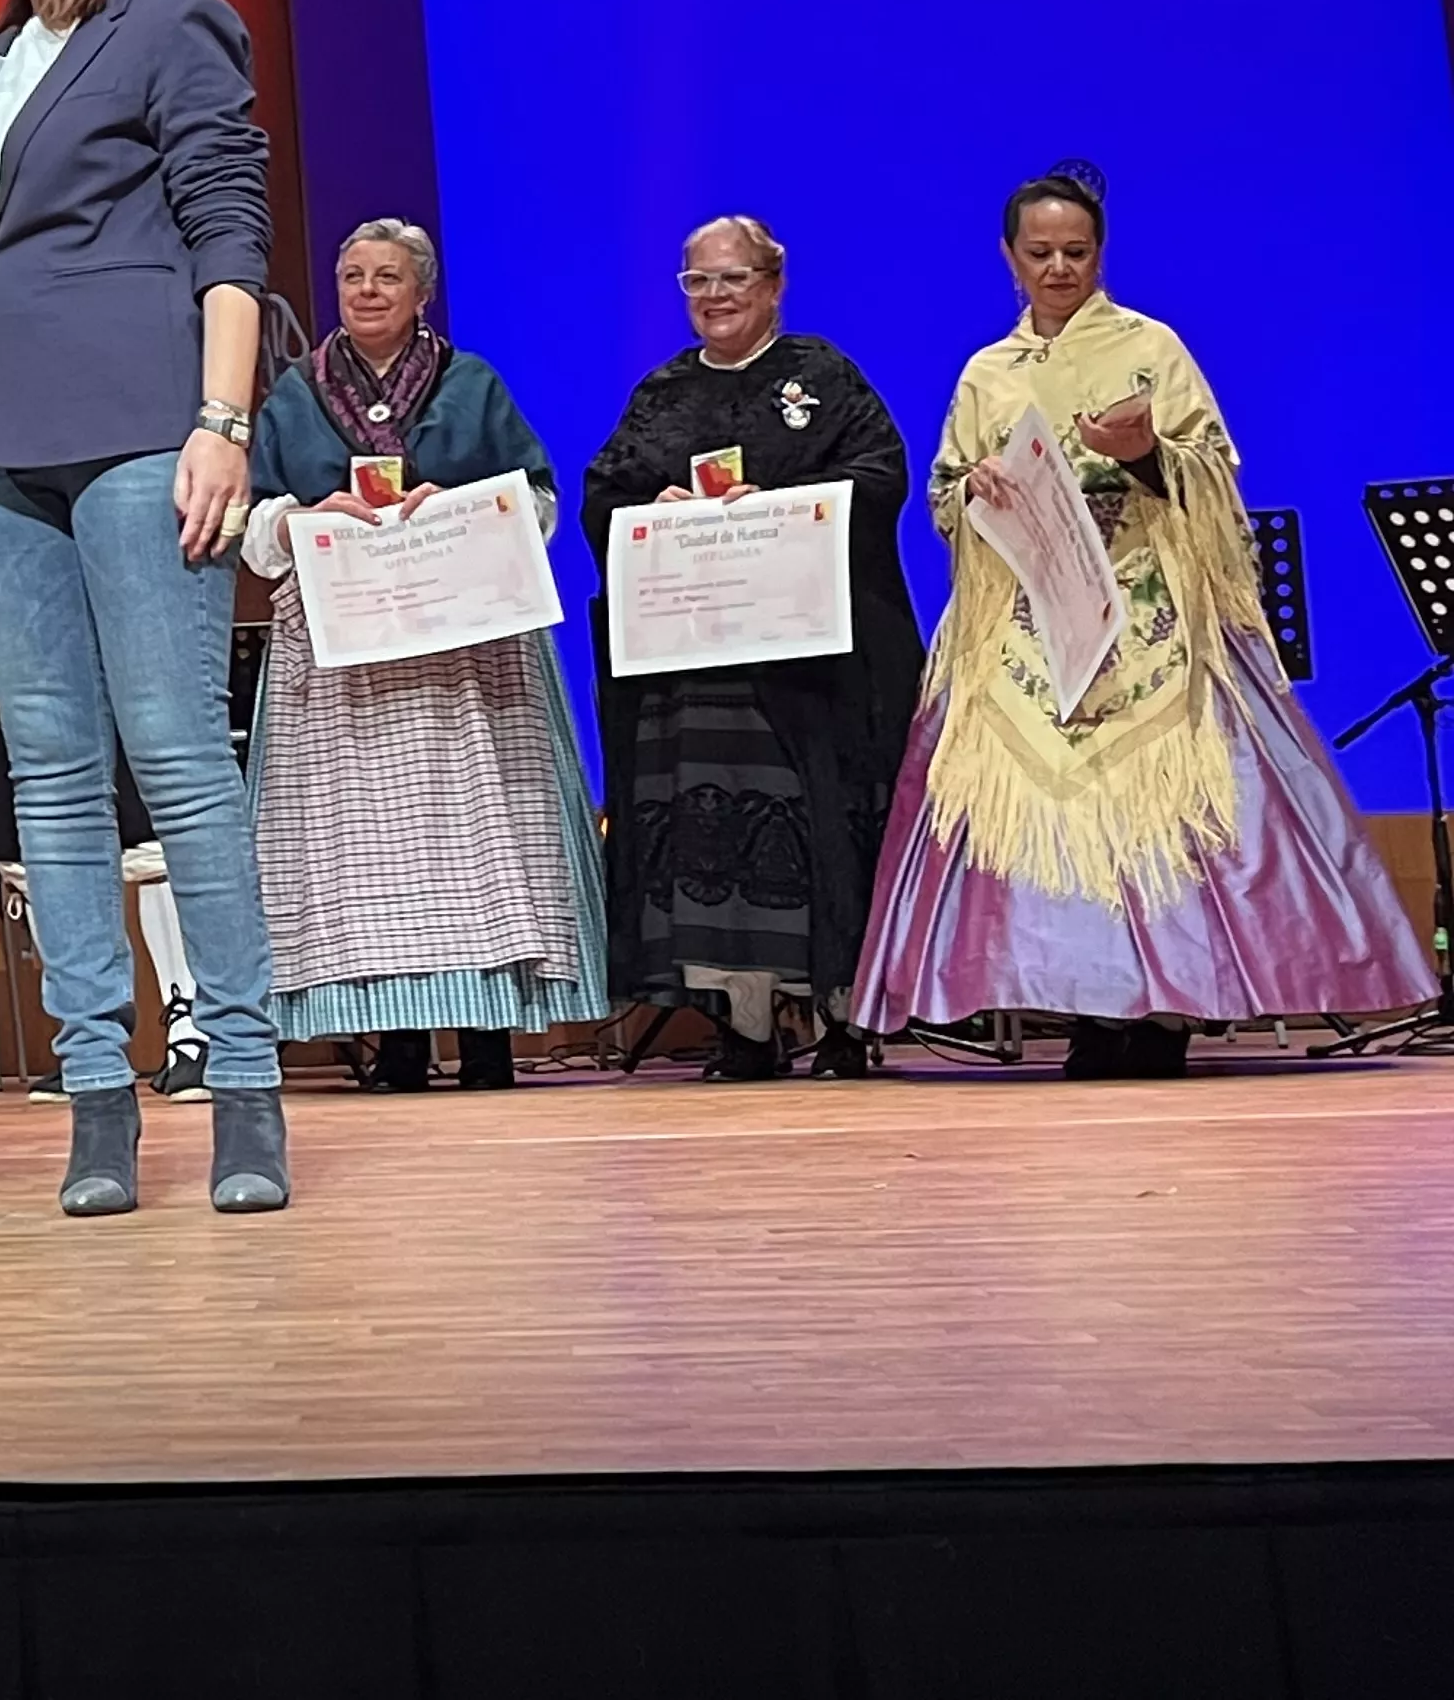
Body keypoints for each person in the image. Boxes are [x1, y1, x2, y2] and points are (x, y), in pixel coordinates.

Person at [847, 165, 1427, 1072]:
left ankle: (1164, 1014)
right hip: (1030, 618)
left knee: (1165, 808)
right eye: (1040, 253)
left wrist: (1148, 451)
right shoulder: (988, 372)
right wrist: (977, 488)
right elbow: (946, 490)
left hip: (1149, 608)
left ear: (1100, 253)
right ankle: (1091, 1008)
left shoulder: (1152, 347)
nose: (1059, 268)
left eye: (1076, 252)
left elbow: (1215, 473)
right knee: (1049, 810)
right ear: (1009, 258)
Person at [0, 0, 287, 1219]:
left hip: (144, 429)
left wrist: (223, 422)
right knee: (53, 782)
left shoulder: (170, 23)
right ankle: (96, 1095)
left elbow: (230, 230)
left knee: (180, 758)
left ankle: (245, 1088)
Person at [242, 221, 605, 1089]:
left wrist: (466, 508)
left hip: (465, 661)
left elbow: (540, 502)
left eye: (387, 277)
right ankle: (396, 1043)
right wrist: (304, 518)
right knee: (359, 857)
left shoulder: (470, 382)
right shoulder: (296, 392)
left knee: (483, 840)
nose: (367, 291)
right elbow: (252, 526)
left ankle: (487, 1041)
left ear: (422, 293)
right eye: (352, 276)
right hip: (342, 663)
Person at [580, 216, 921, 1075]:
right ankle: (745, 1023)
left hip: (808, 673)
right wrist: (650, 512)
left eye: (733, 278)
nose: (715, 296)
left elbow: (882, 477)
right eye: (697, 281)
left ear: (774, 284)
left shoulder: (822, 376)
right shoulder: (662, 393)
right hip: (700, 674)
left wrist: (780, 510)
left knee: (820, 835)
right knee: (710, 842)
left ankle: (845, 1020)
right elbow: (603, 498)